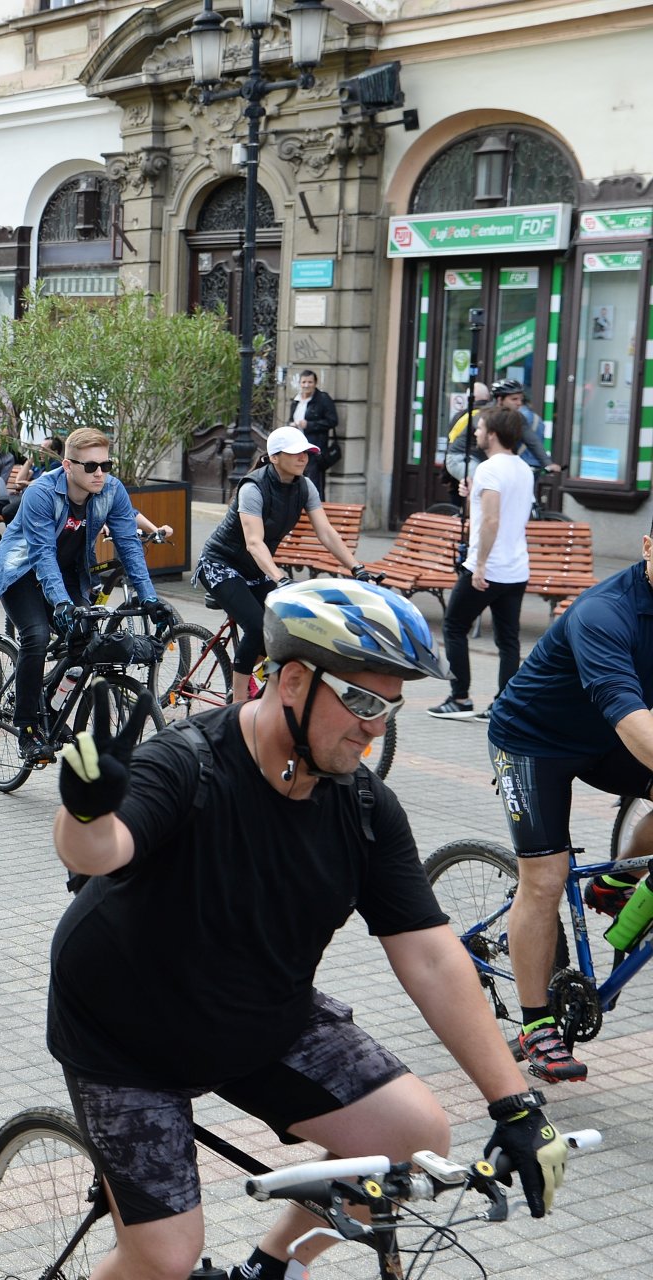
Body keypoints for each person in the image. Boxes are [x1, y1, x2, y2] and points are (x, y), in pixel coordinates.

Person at [49, 578, 571, 1280]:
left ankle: (269, 1269)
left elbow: (430, 957)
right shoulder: (188, 763)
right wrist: (84, 810)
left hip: (261, 1014)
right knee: (164, 1257)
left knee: (412, 1133)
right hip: (126, 1036)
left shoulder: (363, 809)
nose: (376, 726)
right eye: (360, 701)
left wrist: (515, 1102)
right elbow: (99, 852)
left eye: (390, 706)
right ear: (293, 680)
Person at [483, 518, 653, 1084]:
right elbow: (631, 720)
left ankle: (616, 882)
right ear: (648, 548)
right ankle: (536, 1025)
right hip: (534, 741)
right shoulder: (606, 613)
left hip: (603, 739)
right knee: (546, 878)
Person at [0, 427, 173, 760]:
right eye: (90, 466)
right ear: (69, 466)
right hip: (21, 571)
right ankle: (27, 727)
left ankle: (52, 708)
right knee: (37, 636)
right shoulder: (41, 493)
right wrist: (62, 604)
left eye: (106, 465)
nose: (100, 473)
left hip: (69, 572)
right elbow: (42, 553)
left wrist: (149, 598)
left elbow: (129, 545)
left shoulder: (111, 491)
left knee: (86, 642)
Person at [193, 425, 371, 702]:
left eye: (306, 452)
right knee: (255, 626)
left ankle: (254, 674)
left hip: (255, 568)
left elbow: (325, 533)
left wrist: (356, 567)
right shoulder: (253, 487)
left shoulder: (305, 486)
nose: (303, 457)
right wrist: (280, 578)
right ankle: (237, 703)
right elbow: (254, 542)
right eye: (295, 453)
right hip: (220, 564)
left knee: (286, 625)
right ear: (275, 457)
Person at [431, 407, 533, 721]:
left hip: (489, 567)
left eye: (479, 428)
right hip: (517, 568)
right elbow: (501, 511)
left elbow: (490, 520)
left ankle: (460, 698)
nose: (475, 433)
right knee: (508, 639)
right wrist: (472, 494)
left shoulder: (490, 468)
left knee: (453, 626)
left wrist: (480, 565)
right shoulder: (523, 469)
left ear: (492, 434)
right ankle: (504, 704)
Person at [288, 370, 339, 492]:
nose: (306, 385)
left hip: (314, 450)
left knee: (314, 485)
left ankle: (315, 510)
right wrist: (291, 425)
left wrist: (309, 425)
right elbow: (290, 419)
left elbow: (332, 421)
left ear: (315, 383)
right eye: (304, 382)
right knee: (296, 483)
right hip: (296, 450)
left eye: (310, 382)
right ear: (299, 383)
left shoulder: (323, 399)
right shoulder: (296, 401)